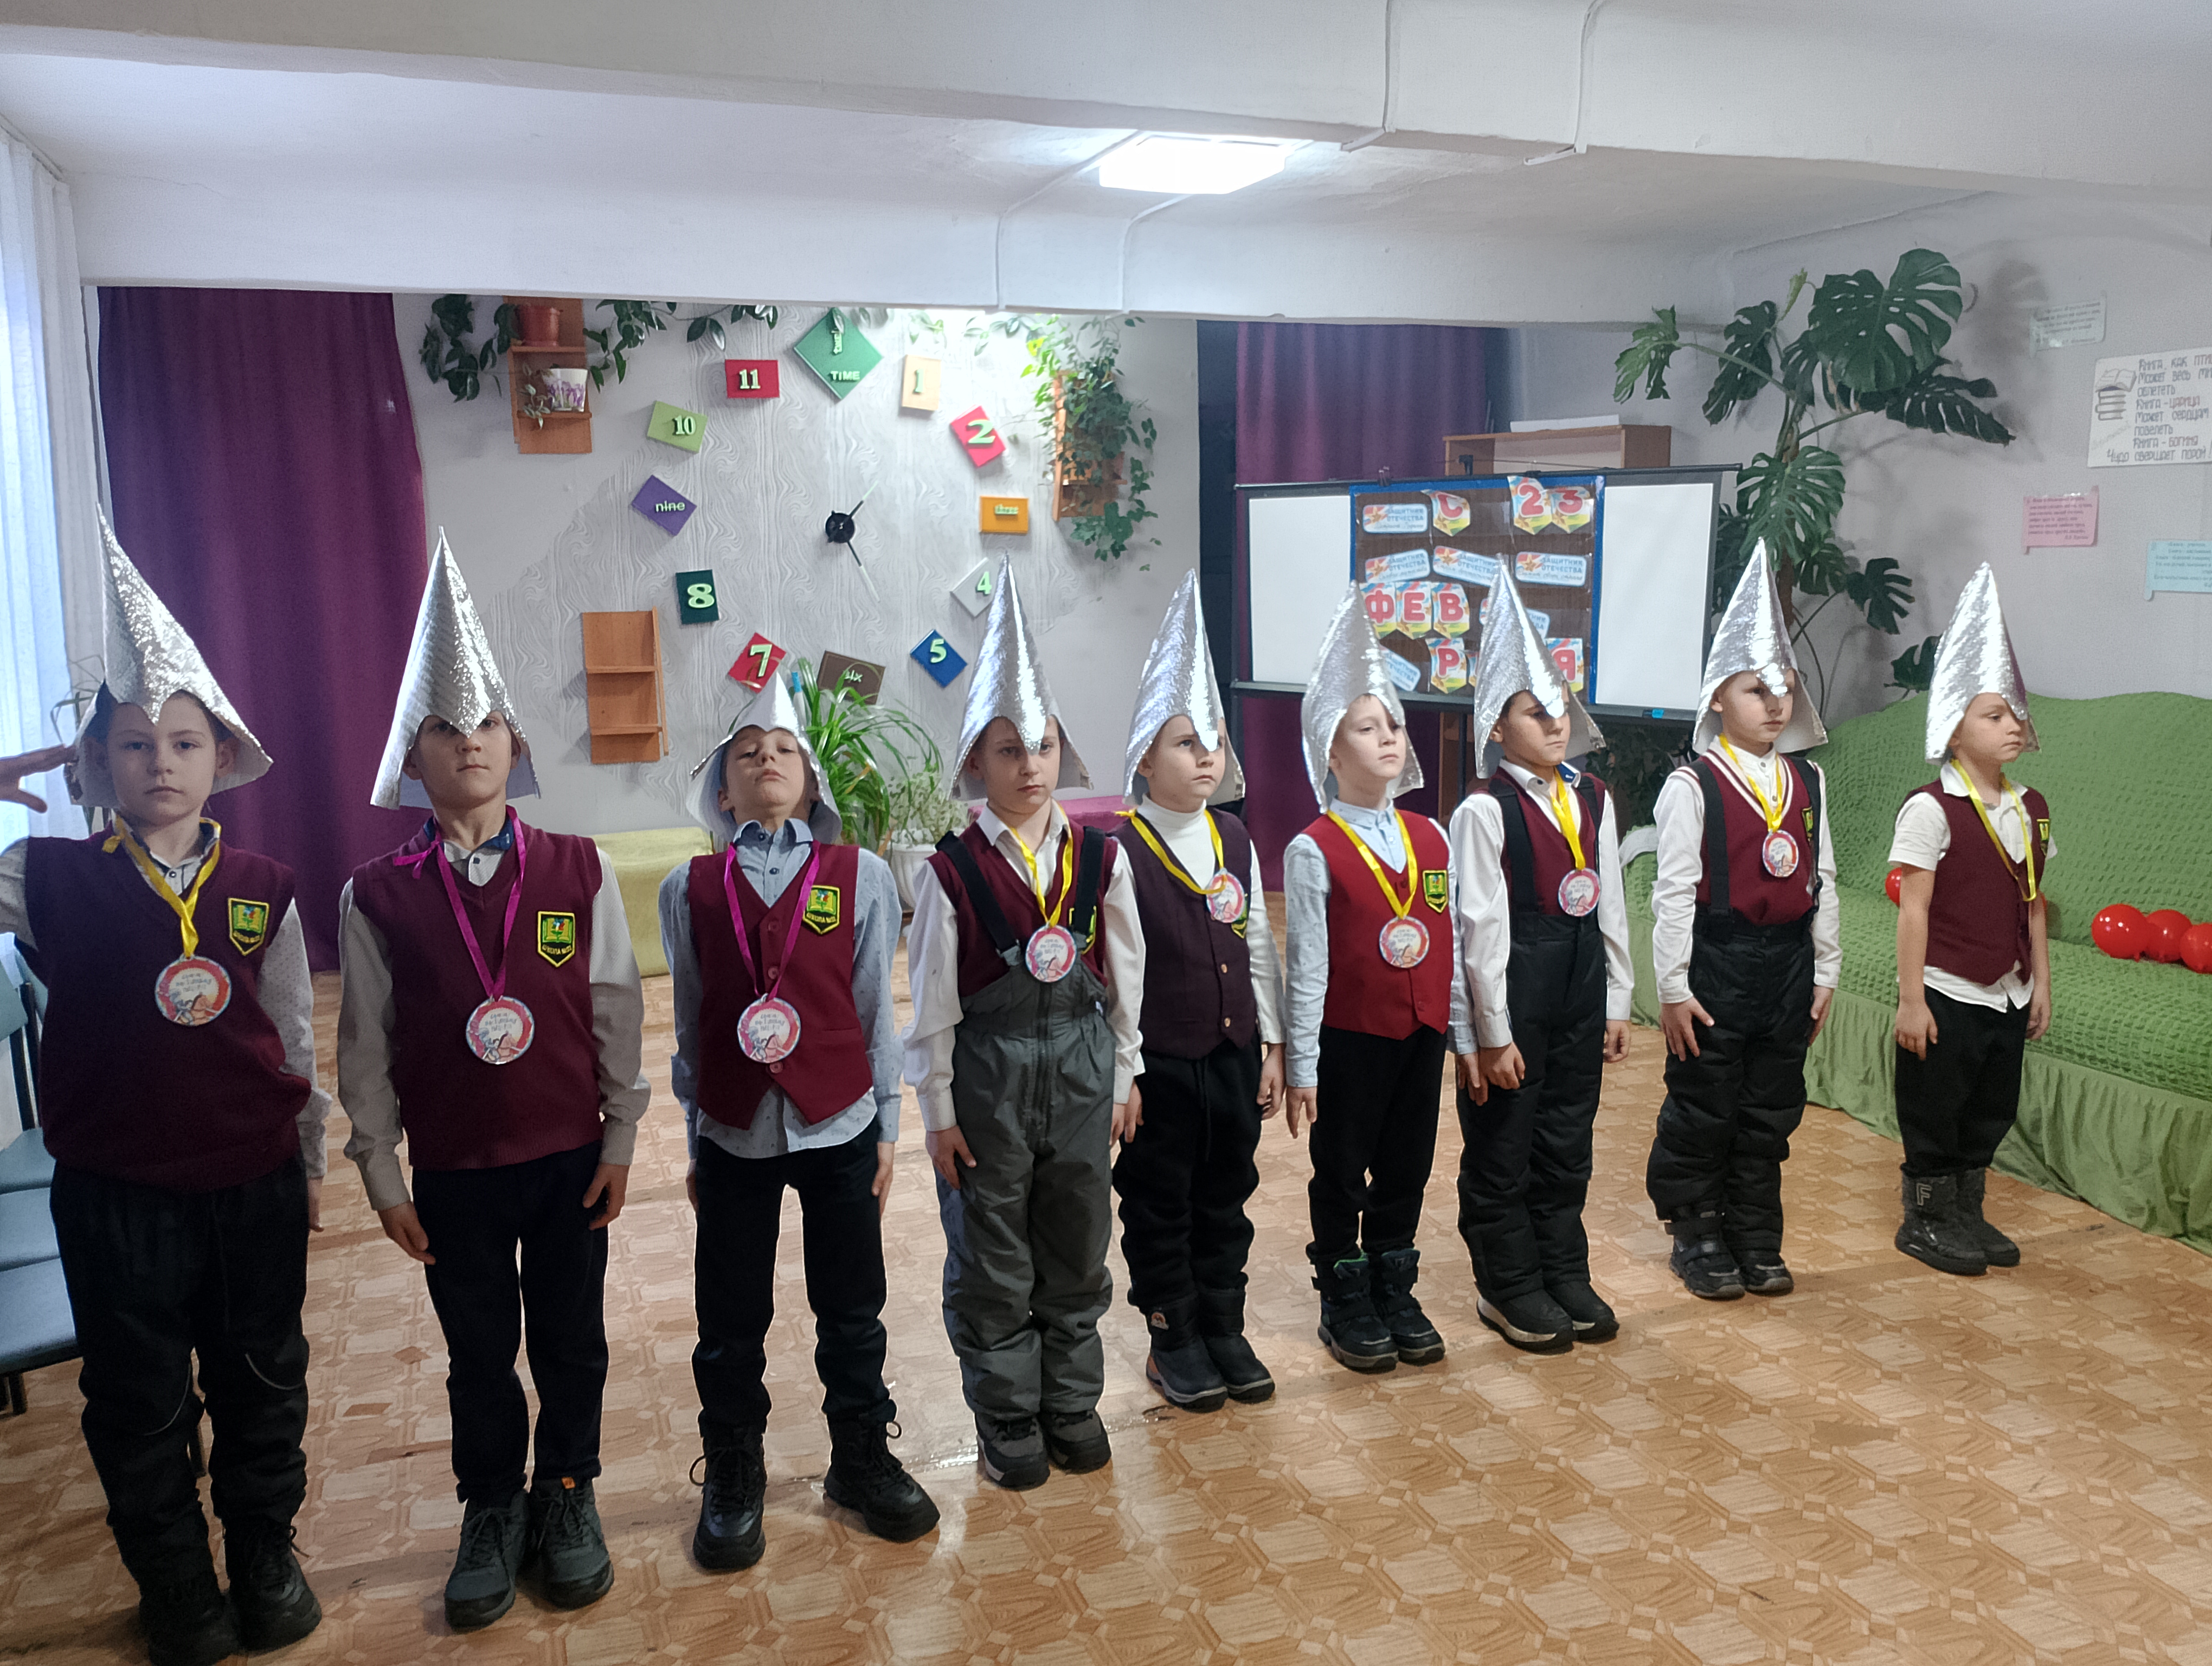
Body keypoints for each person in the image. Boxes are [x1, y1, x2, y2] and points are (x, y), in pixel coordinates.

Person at [0, 521, 325, 1666]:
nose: (160, 764)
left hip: (252, 1183)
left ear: (221, 756)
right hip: (115, 1193)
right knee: (138, 1402)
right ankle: (178, 1588)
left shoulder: (263, 885)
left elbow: (293, 1034)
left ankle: (265, 1557)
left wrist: (311, 1165)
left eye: (183, 742)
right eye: (132, 745)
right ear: (96, 763)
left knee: (262, 1378)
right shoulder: (45, 878)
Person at [338, 534, 648, 1631]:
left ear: (514, 743)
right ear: (409, 757)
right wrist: (381, 1172)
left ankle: (565, 1487)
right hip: (455, 1168)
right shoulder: (376, 894)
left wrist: (622, 1137)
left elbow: (615, 1006)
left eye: (483, 723)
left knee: (570, 1338)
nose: (466, 740)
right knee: (478, 1350)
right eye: (442, 726)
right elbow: (365, 1045)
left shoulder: (576, 866)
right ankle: (490, 1504)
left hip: (567, 1156)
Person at [660, 673, 937, 1572]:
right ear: (722, 790)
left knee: (853, 1306)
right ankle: (734, 1467)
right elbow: (694, 1022)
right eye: (747, 754)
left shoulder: (861, 876)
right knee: (729, 1314)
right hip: (734, 1132)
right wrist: (696, 1132)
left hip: (840, 1122)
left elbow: (875, 1009)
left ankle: (860, 1456)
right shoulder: (690, 886)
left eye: (784, 750)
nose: (766, 761)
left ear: (813, 780)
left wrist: (886, 1125)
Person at [902, 560, 1144, 1489]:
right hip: (989, 1081)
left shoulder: (1101, 858)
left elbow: (1125, 980)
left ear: (1062, 751)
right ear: (976, 762)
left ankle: (1071, 1401)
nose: (1030, 766)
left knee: (1079, 1238)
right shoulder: (950, 871)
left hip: (1082, 1072)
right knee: (993, 1251)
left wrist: (1124, 1075)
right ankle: (1007, 1411)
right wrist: (939, 1113)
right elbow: (932, 1007)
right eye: (1008, 751)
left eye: (1041, 746)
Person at [1108, 574, 1287, 1410]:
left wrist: (1271, 1044)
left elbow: (1258, 947)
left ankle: (1223, 1324)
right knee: (1160, 1204)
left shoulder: (1236, 835)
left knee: (1227, 1197)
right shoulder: (1121, 851)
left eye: (1214, 738)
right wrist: (1127, 1074)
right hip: (1163, 1065)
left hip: (1231, 1054)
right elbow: (1119, 976)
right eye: (1185, 743)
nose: (1207, 754)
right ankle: (1172, 1335)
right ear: (1145, 758)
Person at [1644, 551, 1841, 1300]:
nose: (1776, 702)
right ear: (1719, 699)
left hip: (1788, 963)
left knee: (1770, 1105)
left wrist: (1825, 969)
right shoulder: (1692, 784)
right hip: (1718, 960)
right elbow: (1672, 894)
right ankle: (1695, 1230)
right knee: (1705, 1101)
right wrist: (1673, 986)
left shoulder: (1808, 779)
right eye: (1757, 689)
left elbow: (1823, 879)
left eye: (1785, 686)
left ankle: (1755, 1232)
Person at [1449, 569, 1631, 1354]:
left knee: (1567, 1136)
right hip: (1518, 985)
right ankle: (1507, 1281)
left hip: (1581, 982)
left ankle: (1563, 1269)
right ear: (1497, 726)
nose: (1557, 721)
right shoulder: (1484, 811)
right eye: (1535, 711)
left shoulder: (1593, 797)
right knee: (1506, 1140)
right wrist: (1492, 1031)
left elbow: (1610, 902)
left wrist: (1617, 1000)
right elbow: (1479, 931)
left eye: (1561, 705)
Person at [1282, 587, 1455, 1375]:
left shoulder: (1431, 835)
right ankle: (1343, 1292)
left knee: (1409, 1164)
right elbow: (1308, 966)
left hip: (1422, 1034)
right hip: (1351, 1038)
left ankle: (1393, 1280)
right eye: (1366, 727)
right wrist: (1304, 1065)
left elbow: (1448, 942)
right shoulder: (1314, 847)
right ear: (1330, 749)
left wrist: (1462, 1032)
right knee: (1343, 1167)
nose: (1387, 738)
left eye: (1394, 725)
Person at [1889, 563, 2052, 1276]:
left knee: (1991, 1106)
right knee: (1936, 1106)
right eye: (1994, 715)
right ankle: (1926, 1217)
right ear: (1954, 730)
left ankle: (1966, 1209)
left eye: (2015, 713)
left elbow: (2033, 900)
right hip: (1948, 990)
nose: (2012, 725)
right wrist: (1912, 999)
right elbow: (1914, 909)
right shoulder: (1931, 809)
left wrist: (2040, 983)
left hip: (2008, 991)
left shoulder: (2032, 807)